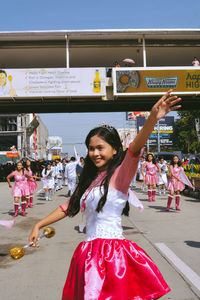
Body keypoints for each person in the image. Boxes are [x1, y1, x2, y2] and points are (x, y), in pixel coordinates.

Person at [29, 90, 181, 300]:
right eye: (91, 149)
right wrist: (38, 224)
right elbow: (68, 206)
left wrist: (151, 120)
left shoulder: (121, 175)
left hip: (111, 256)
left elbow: (135, 149)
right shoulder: (90, 181)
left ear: (115, 150)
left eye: (100, 147)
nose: (95, 153)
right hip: (88, 254)